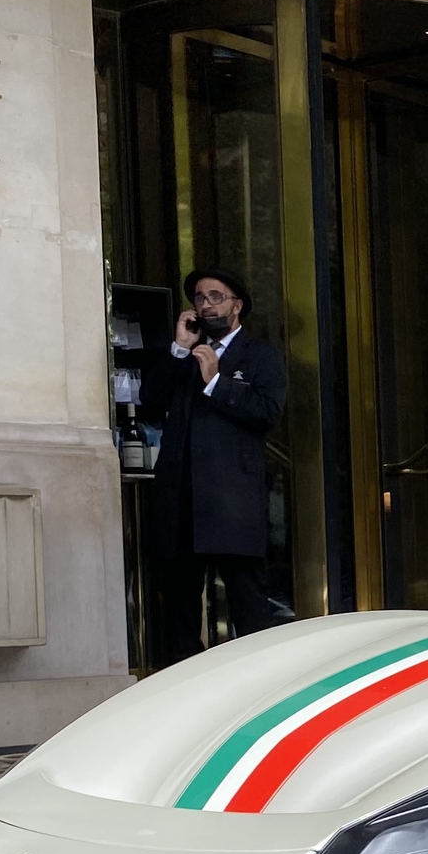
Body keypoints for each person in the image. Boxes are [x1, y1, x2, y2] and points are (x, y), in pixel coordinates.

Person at [149, 267, 288, 663]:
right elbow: (151, 399)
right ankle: (186, 683)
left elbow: (266, 412)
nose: (205, 305)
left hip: (231, 503)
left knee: (247, 605)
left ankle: (259, 681)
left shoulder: (260, 356)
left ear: (236, 305)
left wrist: (214, 381)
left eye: (215, 297)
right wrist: (179, 350)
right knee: (179, 606)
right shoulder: (186, 354)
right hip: (181, 500)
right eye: (198, 298)